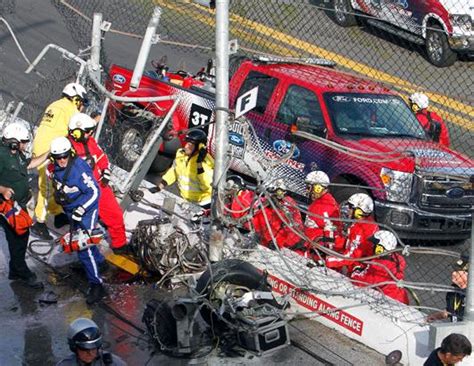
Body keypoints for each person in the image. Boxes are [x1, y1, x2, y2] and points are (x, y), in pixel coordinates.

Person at [49, 137, 106, 304]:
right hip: (71, 210)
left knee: (83, 246)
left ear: (70, 154)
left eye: (64, 156)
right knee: (85, 246)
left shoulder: (78, 169)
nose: (61, 161)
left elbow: (95, 192)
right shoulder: (54, 169)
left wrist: (81, 209)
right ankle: (99, 262)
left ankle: (97, 285)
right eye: (58, 158)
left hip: (86, 210)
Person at [32, 82, 89, 240]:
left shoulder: (56, 104)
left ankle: (57, 213)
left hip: (40, 147)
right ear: (76, 99)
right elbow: (79, 130)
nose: (82, 107)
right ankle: (39, 222)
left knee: (54, 184)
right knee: (47, 188)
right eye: (82, 102)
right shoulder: (70, 109)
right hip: (49, 152)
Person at [67, 113, 128, 255]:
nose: (90, 134)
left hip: (98, 186)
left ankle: (120, 245)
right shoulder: (66, 148)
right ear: (77, 132)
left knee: (115, 214)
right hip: (82, 193)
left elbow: (101, 157)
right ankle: (88, 255)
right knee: (85, 228)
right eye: (88, 132)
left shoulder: (90, 142)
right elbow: (54, 171)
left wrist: (105, 170)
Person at [0, 122, 49, 289]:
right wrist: (3, 189)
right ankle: (22, 272)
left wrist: (48, 154)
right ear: (13, 142)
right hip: (5, 205)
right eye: (24, 142)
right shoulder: (1, 155)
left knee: (22, 234)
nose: (26, 145)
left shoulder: (17, 154)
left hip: (18, 204)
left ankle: (15, 269)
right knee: (17, 237)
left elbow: (28, 164)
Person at [152, 129, 214, 209]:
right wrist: (159, 187)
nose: (186, 146)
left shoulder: (206, 162)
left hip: (203, 203)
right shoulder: (180, 153)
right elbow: (174, 171)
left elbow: (206, 186)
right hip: (186, 200)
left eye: (190, 144)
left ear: (199, 146)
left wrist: (199, 165)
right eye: (186, 143)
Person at [325, 193, 379, 274]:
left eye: (351, 207)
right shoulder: (365, 222)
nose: (348, 210)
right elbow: (350, 243)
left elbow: (352, 256)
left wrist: (327, 261)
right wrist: (331, 240)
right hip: (360, 262)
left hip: (360, 268)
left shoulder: (361, 229)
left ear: (360, 211)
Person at [350, 230, 409, 304]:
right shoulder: (395, 259)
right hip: (400, 298)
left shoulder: (380, 268)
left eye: (375, 245)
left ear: (381, 249)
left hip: (389, 303)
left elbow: (360, 283)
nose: (372, 246)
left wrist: (355, 271)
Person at [252, 179, 306, 255]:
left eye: (280, 191)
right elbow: (253, 215)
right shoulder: (264, 203)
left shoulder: (289, 204)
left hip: (283, 246)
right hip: (262, 240)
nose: (278, 195)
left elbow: (292, 227)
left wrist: (278, 242)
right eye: (276, 192)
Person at [57, 317, 127, 365]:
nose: (90, 353)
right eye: (84, 349)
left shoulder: (115, 363)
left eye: (93, 348)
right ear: (74, 347)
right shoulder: (65, 364)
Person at [427, 256, 468, 323]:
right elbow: (449, 312)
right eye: (454, 270)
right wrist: (435, 316)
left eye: (458, 272)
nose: (453, 274)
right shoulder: (453, 290)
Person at [303, 171, 340, 244]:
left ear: (318, 188)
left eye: (308, 187)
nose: (307, 190)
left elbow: (333, 230)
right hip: (308, 242)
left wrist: (320, 247)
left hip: (314, 249)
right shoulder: (320, 201)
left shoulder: (326, 205)